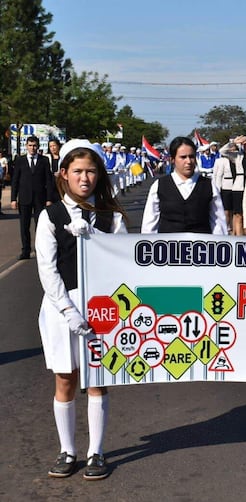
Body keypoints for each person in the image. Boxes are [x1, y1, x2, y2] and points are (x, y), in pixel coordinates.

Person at [35, 139, 128, 480]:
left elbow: (125, 265)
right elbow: (48, 269)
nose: (84, 178)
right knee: (65, 379)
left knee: (97, 380)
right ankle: (67, 450)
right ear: (64, 174)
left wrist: (97, 241)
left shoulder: (109, 217)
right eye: (77, 171)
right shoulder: (50, 216)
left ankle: (96, 452)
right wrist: (67, 309)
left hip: (101, 308)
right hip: (62, 309)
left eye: (91, 171)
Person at [141, 136, 227, 234]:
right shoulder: (159, 186)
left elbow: (218, 222)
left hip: (201, 246)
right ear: (172, 159)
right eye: (183, 157)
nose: (188, 161)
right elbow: (149, 224)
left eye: (191, 156)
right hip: (169, 247)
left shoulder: (209, 186)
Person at [11, 135, 57, 260]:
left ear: (38, 146)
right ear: (26, 146)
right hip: (24, 198)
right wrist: (13, 199)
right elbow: (15, 180)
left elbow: (48, 180)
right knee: (24, 226)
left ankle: (39, 249)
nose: (32, 148)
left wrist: (49, 198)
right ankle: (25, 250)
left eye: (34, 145)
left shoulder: (44, 160)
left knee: (40, 226)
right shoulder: (20, 160)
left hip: (40, 199)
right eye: (30, 145)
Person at [219, 135, 246, 235]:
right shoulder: (238, 156)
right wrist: (233, 142)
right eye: (245, 145)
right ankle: (239, 238)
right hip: (239, 187)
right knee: (238, 214)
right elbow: (222, 151)